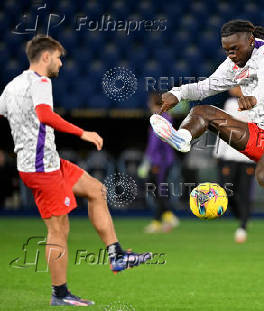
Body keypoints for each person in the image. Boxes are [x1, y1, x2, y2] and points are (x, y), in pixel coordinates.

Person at [149, 20, 264, 272]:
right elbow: (206, 86)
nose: (231, 54)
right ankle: (183, 139)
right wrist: (178, 93)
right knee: (203, 111)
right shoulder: (233, 64)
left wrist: (255, 96)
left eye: (235, 48)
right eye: (226, 50)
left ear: (250, 41)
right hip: (260, 135)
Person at [0, 35, 151, 306]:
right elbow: (45, 115)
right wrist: (83, 132)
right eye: (58, 57)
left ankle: (117, 255)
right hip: (40, 168)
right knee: (59, 229)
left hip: (49, 162)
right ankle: (60, 294)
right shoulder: (40, 81)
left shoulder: (12, 86)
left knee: (96, 190)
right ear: (45, 57)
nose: (60, 62)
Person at [214, 86, 256, 243]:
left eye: (235, 85)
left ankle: (243, 226)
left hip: (247, 157)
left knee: (244, 192)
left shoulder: (255, 103)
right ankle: (241, 216)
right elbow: (223, 128)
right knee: (226, 191)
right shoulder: (230, 104)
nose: (231, 88)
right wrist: (218, 153)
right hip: (229, 155)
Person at [143, 92, 179, 233]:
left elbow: (156, 143)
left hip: (160, 160)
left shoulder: (160, 120)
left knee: (158, 189)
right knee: (158, 189)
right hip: (163, 159)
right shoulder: (164, 118)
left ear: (154, 104)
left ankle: (161, 220)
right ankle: (167, 218)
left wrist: (149, 160)